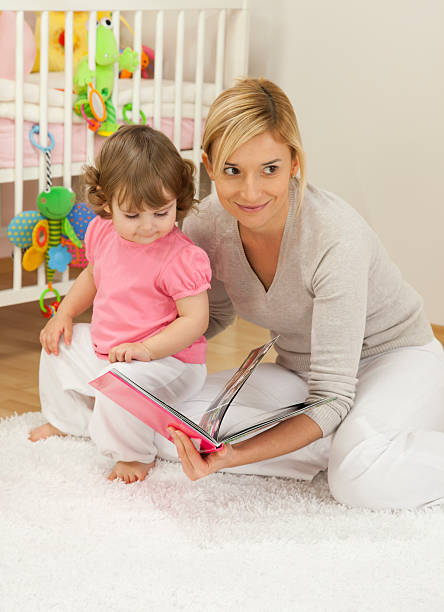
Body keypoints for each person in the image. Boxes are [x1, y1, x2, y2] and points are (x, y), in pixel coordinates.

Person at [162, 77, 444, 510]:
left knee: (357, 481)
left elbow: (332, 396)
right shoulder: (205, 226)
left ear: (294, 162)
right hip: (302, 372)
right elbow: (210, 317)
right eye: (233, 171)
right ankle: (346, 440)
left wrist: (235, 455)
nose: (251, 192)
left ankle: (356, 444)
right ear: (208, 164)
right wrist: (143, 350)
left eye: (269, 169)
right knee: (174, 430)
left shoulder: (335, 240)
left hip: (393, 360)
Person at [29, 125, 211, 484]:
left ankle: (134, 454)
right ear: (107, 203)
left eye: (161, 213)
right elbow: (93, 276)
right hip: (111, 350)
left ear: (178, 199)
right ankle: (69, 421)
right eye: (132, 215)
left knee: (121, 384)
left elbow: (195, 320)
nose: (148, 227)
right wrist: (64, 314)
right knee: (57, 347)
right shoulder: (103, 232)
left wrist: (146, 349)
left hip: (167, 362)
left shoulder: (180, 257)